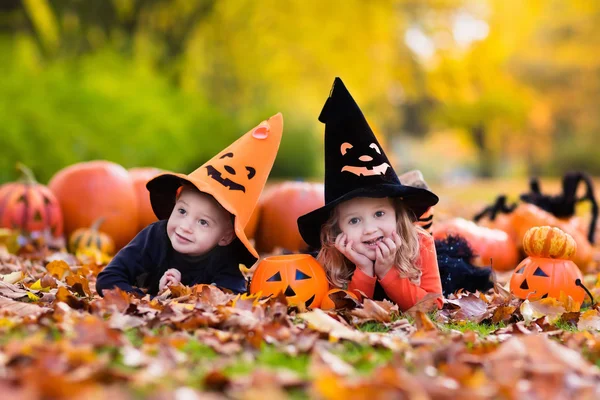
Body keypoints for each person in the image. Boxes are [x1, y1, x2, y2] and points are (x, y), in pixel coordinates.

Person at [96, 113, 283, 297]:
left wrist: (183, 292)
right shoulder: (153, 238)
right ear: (175, 203)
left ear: (225, 236)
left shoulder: (223, 257)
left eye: (203, 222)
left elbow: (232, 293)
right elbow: (108, 278)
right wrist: (146, 300)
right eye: (182, 211)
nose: (185, 227)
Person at [297, 78, 442, 311]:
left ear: (397, 213)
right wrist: (364, 270)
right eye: (354, 220)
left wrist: (388, 272)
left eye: (380, 213)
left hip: (415, 245)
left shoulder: (421, 243)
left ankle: (419, 201)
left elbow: (433, 305)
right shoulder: (334, 255)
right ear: (337, 230)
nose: (370, 229)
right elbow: (344, 308)